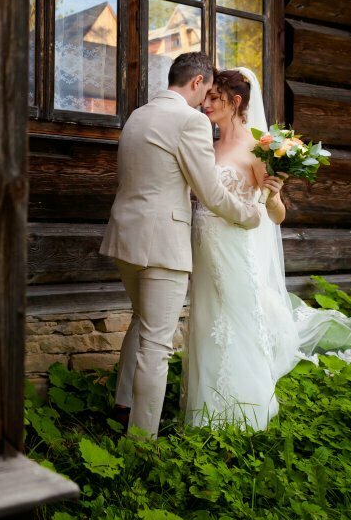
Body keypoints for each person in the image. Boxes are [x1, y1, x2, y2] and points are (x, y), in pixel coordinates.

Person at [181, 67, 351, 430]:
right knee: (207, 320)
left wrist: (275, 194)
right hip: (205, 249)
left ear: (235, 102)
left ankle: (245, 412)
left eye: (214, 98)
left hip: (235, 248)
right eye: (206, 97)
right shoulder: (208, 144)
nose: (205, 103)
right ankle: (203, 413)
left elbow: (277, 216)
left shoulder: (257, 149)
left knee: (235, 321)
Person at [99, 52, 264, 439]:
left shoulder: (137, 116)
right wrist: (249, 216)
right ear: (197, 82)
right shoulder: (189, 121)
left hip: (124, 237)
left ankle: (123, 408)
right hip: (162, 246)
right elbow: (209, 192)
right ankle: (141, 443)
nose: (206, 102)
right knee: (157, 344)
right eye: (207, 90)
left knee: (141, 324)